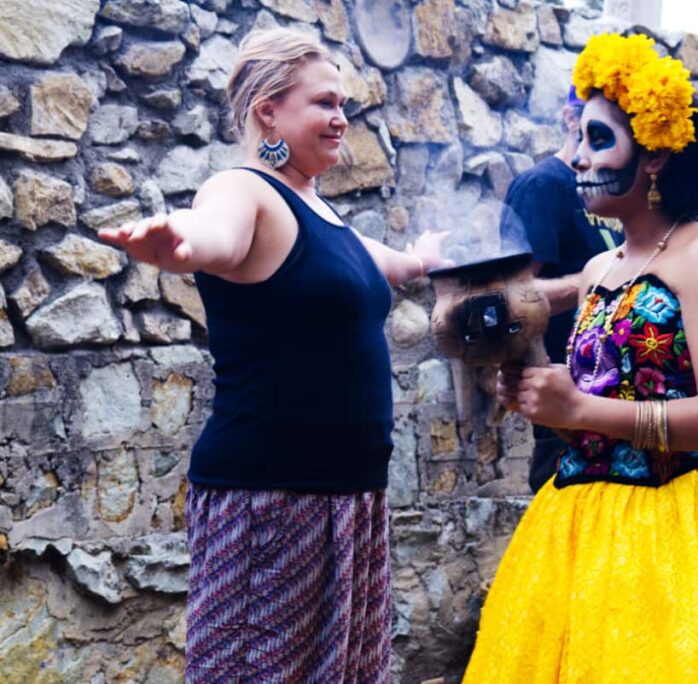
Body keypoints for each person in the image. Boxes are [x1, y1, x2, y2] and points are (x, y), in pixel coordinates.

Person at [463, 33, 698, 683]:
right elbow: (602, 404)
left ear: (654, 156)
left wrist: (581, 404)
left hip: (674, 533)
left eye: (598, 141)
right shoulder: (601, 267)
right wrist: (545, 399)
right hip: (577, 528)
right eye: (578, 139)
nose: (574, 159)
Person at [99, 29, 447, 682]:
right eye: (324, 103)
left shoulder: (326, 218)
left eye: (343, 103)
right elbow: (214, 236)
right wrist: (179, 245)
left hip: (349, 503)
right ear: (269, 112)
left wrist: (426, 255)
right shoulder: (245, 190)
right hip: (271, 504)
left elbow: (396, 265)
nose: (342, 118)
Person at [499, 85, 623, 493]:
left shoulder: (613, 194)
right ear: (572, 120)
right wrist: (594, 280)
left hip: (616, 400)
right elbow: (511, 298)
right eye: (593, 131)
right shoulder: (543, 186)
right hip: (564, 397)